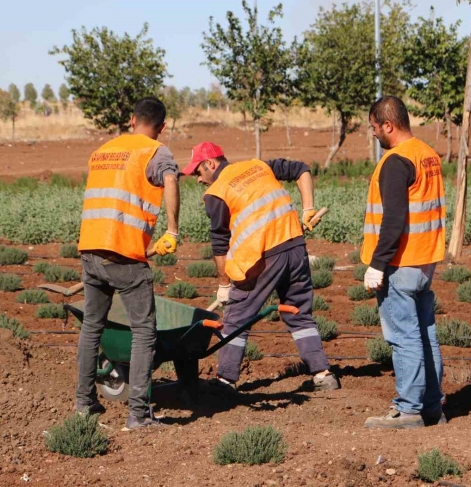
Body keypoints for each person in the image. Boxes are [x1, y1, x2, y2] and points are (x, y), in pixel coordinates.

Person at [182, 142, 340, 392]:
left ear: (210, 164)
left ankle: (224, 382)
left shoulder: (217, 193)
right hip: (295, 246)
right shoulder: (258, 166)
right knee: (298, 312)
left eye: (197, 172)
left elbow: (220, 246)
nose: (198, 179)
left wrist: (224, 285)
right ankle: (323, 373)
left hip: (262, 257)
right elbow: (301, 169)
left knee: (236, 318)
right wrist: (308, 208)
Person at [75, 97, 180, 431]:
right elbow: (172, 181)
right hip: (123, 253)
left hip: (90, 248)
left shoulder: (103, 151)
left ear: (132, 120)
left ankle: (84, 402)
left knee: (92, 325)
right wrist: (173, 230)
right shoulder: (156, 151)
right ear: (162, 127)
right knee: (144, 330)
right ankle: (138, 414)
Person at [361, 96, 446, 429]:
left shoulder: (396, 161)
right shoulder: (427, 154)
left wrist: (378, 264)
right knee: (426, 335)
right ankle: (431, 408)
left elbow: (394, 219)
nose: (373, 134)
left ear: (388, 125)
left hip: (401, 264)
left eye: (373, 127)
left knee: (403, 336)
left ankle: (408, 410)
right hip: (425, 262)